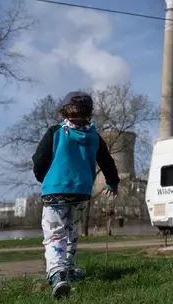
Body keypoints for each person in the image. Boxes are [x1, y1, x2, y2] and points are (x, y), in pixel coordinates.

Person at [32, 91, 120, 298]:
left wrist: (43, 177)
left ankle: (57, 274)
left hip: (55, 191)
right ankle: (69, 270)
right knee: (71, 232)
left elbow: (40, 159)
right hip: (80, 192)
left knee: (55, 235)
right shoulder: (94, 136)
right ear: (89, 113)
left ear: (64, 110)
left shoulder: (56, 131)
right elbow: (107, 162)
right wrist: (112, 183)